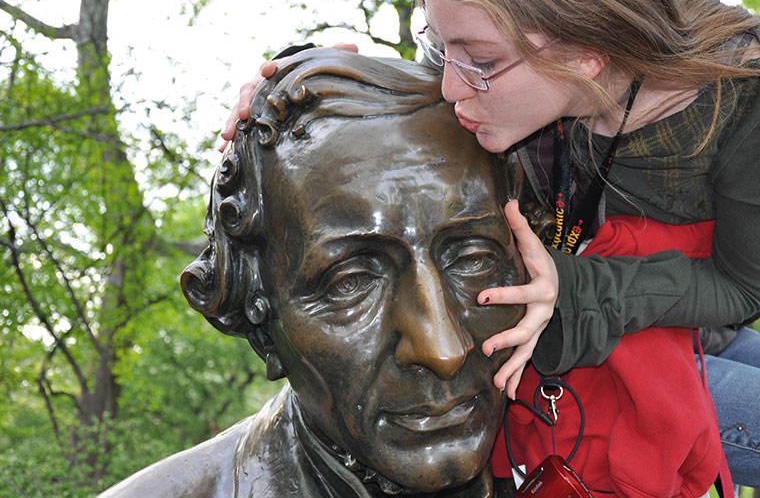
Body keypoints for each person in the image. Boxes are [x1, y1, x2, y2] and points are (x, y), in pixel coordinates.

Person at [221, 0, 760, 493]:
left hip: (674, 319)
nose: (450, 86)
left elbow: (738, 285)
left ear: (587, 52)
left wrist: (572, 284)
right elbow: (391, 103)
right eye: (440, 46)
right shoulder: (485, 78)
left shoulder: (746, 83)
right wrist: (303, 76)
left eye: (479, 62)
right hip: (553, 348)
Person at [100, 49, 534, 497]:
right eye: (352, 283)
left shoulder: (597, 437)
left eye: (472, 261)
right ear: (262, 326)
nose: (443, 351)